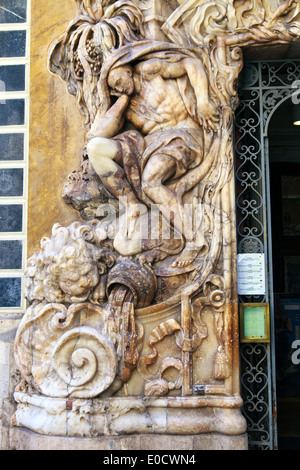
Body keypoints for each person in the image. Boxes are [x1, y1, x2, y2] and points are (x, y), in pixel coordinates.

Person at [86, 54, 219, 268]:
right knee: (95, 149)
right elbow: (97, 135)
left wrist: (203, 101)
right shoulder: (126, 104)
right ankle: (131, 205)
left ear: (128, 70)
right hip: (147, 148)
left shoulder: (149, 71)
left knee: (150, 182)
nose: (118, 87)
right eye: (114, 86)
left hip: (182, 137)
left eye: (119, 81)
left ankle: (195, 239)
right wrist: (121, 100)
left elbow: (191, 63)